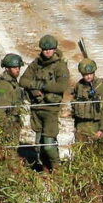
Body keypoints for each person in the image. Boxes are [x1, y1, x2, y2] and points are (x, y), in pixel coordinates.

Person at [19, 34, 70, 171]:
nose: (47, 51)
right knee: (38, 144)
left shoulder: (60, 66)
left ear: (55, 49)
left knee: (48, 144)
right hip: (36, 108)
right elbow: (23, 81)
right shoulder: (36, 64)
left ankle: (57, 168)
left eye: (50, 49)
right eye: (44, 49)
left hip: (51, 109)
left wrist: (41, 86)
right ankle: (45, 168)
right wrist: (36, 85)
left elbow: (61, 86)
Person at [70, 59, 103, 141]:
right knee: (80, 151)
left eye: (90, 74)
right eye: (85, 74)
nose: (88, 76)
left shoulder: (102, 87)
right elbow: (74, 105)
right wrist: (76, 127)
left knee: (96, 152)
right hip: (81, 127)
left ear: (94, 72)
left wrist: (101, 128)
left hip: (95, 127)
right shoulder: (79, 86)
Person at [0, 53, 25, 144]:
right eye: (14, 68)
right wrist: (4, 126)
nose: (17, 70)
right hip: (7, 124)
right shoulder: (3, 84)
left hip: (13, 122)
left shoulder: (12, 82)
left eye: (18, 67)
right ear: (7, 68)